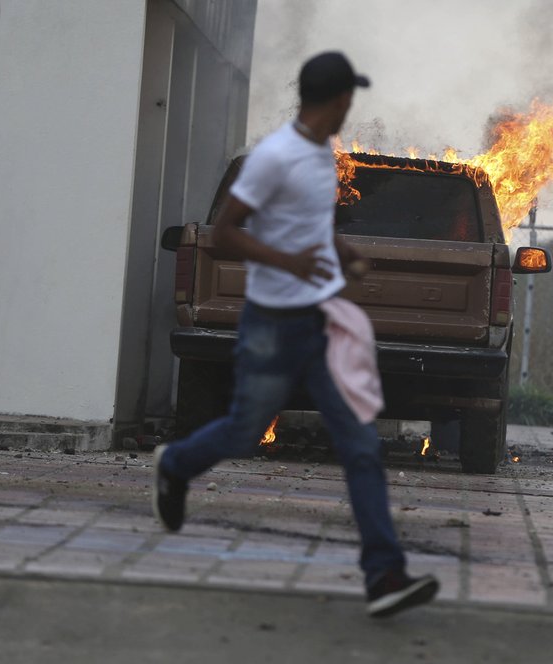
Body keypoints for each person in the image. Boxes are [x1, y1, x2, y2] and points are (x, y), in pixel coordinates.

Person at [152, 51, 439, 618]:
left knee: (361, 447)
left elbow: (312, 228)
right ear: (334, 101)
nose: (349, 109)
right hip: (271, 325)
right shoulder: (276, 156)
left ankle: (385, 576)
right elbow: (226, 233)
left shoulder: (323, 161)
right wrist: (288, 263)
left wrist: (343, 253)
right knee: (242, 432)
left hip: (320, 324)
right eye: (348, 100)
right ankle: (175, 465)